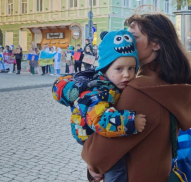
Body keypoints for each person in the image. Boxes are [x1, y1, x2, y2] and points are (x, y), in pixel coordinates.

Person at [81, 13, 191, 182]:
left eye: (133, 37)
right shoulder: (173, 84)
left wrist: (92, 165)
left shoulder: (141, 90)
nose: (127, 42)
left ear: (155, 44)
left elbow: (97, 155)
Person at [52, 30, 146, 182]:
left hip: (98, 142)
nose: (127, 75)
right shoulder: (98, 91)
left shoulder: (112, 86)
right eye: (119, 69)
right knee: (117, 170)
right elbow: (100, 119)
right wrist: (130, 121)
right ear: (104, 69)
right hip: (92, 135)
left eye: (131, 68)